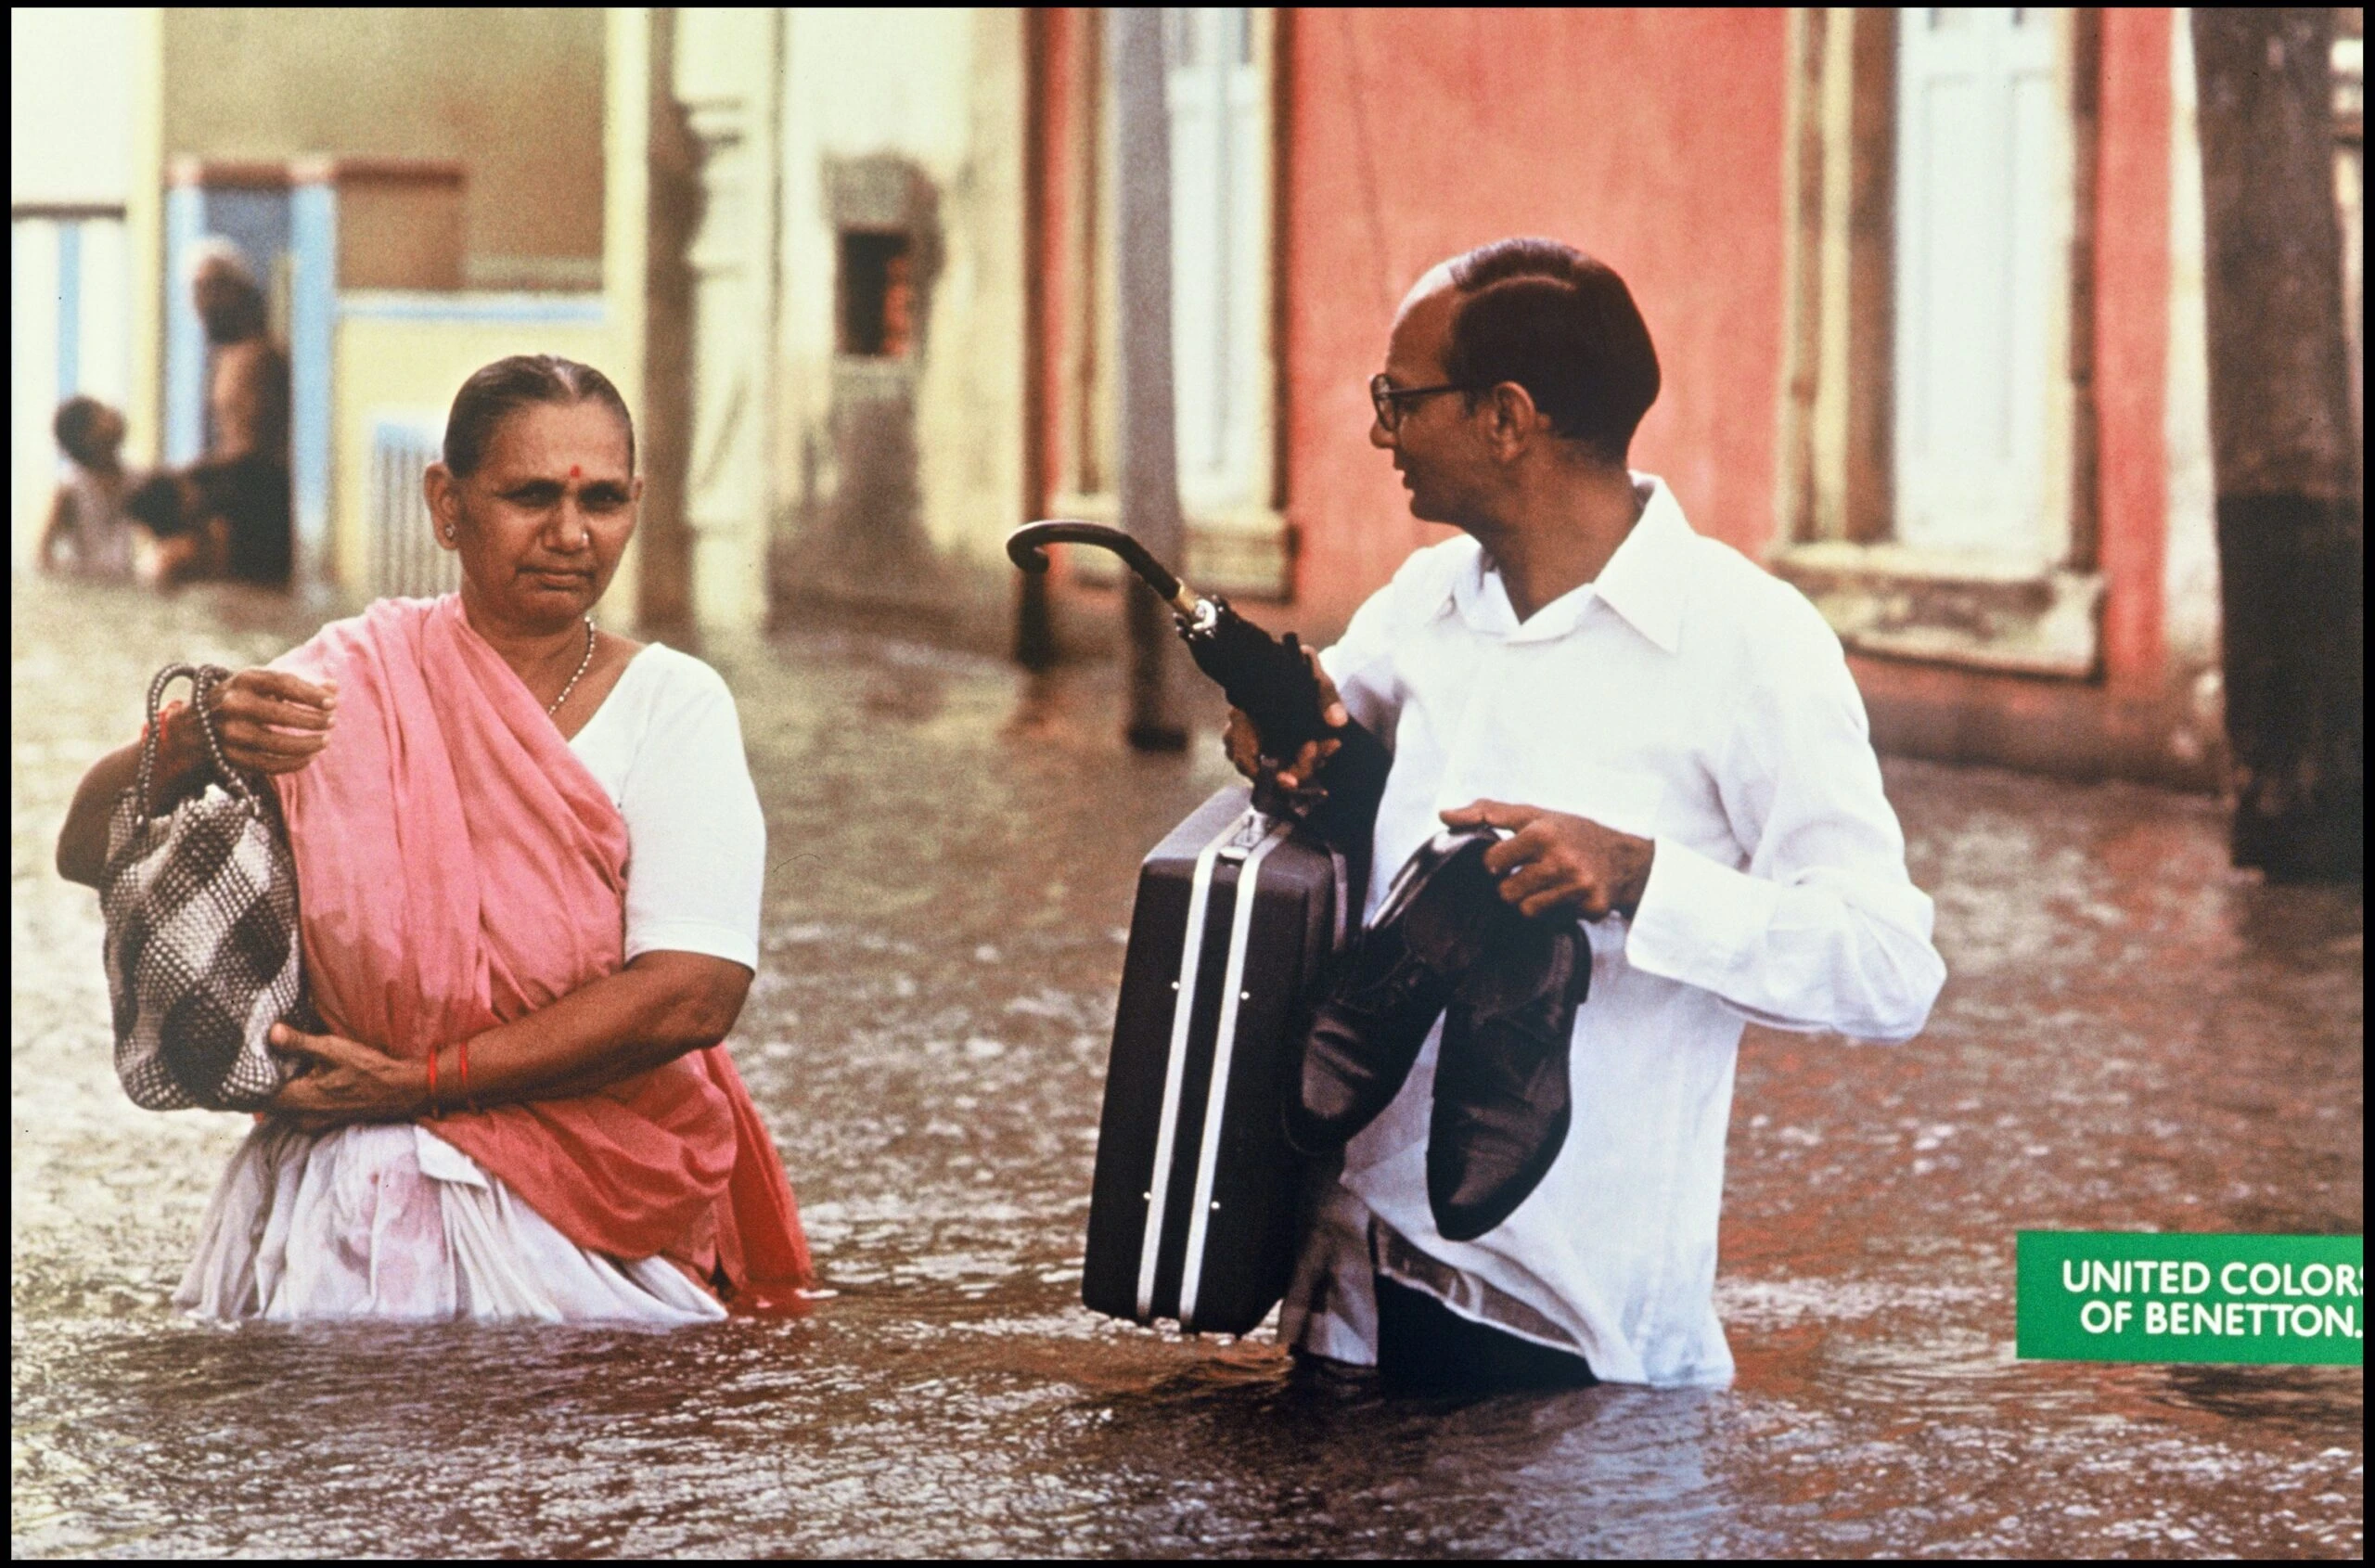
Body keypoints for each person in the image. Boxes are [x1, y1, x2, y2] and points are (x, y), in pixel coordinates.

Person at [1226, 239, 1946, 1392]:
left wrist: (1642, 877)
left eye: (1397, 401)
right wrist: (1276, 746)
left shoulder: (1749, 643)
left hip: (1572, 1345)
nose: (1380, 433)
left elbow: (1890, 971)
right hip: (1342, 1302)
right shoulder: (1422, 602)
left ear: (1505, 417)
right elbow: (1313, 745)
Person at [56, 354, 811, 1322]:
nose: (571, 535)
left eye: (605, 500)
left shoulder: (674, 704)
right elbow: (87, 851)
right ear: (446, 506)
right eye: (530, 496)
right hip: (353, 1162)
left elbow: (692, 996)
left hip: (594, 1174)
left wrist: (421, 1085)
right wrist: (190, 732)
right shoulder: (344, 681)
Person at [127, 241, 293, 588]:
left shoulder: (258, 357)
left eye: (215, 287)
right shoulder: (225, 357)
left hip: (259, 505)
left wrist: (184, 474)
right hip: (234, 500)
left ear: (242, 291)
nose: (205, 301)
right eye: (198, 290)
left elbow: (254, 450)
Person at [37, 395, 139, 581]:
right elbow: (44, 550)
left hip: (128, 588)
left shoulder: (136, 479)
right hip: (86, 588)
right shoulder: (71, 487)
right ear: (84, 436)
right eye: (101, 414)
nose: (113, 414)